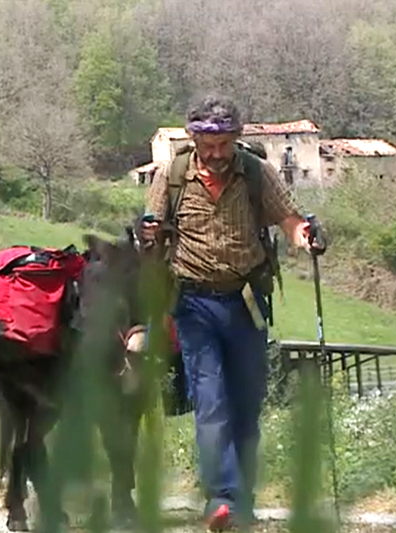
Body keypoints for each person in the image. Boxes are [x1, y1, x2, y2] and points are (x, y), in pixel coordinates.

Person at [139, 95, 324, 531]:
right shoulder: (171, 175)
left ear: (237, 138)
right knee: (210, 400)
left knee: (246, 404)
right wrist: (147, 234)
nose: (217, 154)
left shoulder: (257, 173)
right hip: (192, 303)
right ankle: (220, 497)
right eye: (209, 144)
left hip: (246, 302)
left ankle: (242, 499)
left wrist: (308, 236)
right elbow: (150, 234)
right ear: (194, 139)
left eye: (224, 144)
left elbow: (290, 222)